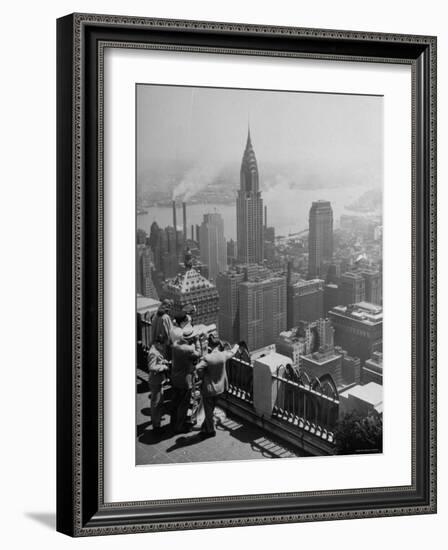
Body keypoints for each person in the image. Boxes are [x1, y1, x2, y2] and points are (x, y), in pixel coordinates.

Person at [195, 335, 238, 438]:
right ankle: (206, 426)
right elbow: (232, 352)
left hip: (209, 389)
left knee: (208, 411)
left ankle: (210, 431)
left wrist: (203, 376)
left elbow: (197, 368)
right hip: (220, 388)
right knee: (211, 408)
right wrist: (236, 346)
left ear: (210, 346)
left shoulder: (207, 358)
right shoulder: (223, 355)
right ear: (218, 345)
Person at [170, 325, 201, 433]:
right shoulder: (189, 349)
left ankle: (173, 423)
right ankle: (179, 426)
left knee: (175, 401)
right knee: (183, 404)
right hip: (185, 380)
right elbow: (198, 353)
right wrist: (196, 341)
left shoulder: (175, 345)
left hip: (175, 378)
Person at [147, 340, 170, 434]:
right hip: (155, 381)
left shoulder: (155, 350)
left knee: (159, 402)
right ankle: (156, 426)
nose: (163, 347)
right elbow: (151, 367)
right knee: (156, 403)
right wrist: (163, 367)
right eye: (163, 344)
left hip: (158, 380)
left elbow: (157, 362)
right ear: (158, 343)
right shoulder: (153, 353)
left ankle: (157, 421)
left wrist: (163, 362)